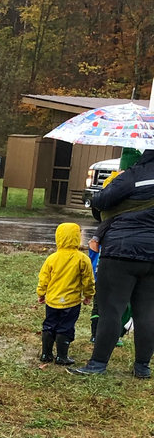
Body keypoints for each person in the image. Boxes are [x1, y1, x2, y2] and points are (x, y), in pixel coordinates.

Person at [71, 147, 154, 379]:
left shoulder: (133, 175)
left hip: (121, 251)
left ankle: (98, 364)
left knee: (111, 309)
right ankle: (142, 367)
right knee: (147, 312)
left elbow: (100, 201)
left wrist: (120, 180)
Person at [36, 222, 94, 366]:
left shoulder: (52, 258)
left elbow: (44, 278)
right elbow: (88, 280)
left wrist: (41, 293)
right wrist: (88, 295)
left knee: (49, 324)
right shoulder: (82, 259)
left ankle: (46, 354)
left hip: (52, 301)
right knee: (66, 327)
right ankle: (62, 356)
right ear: (77, 237)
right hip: (71, 302)